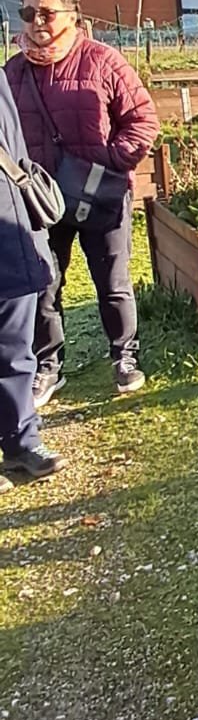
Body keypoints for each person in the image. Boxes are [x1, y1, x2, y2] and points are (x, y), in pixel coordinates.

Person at [5, 0, 159, 403]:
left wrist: (109, 162)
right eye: (29, 12)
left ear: (72, 16)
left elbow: (143, 121)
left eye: (47, 12)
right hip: (39, 199)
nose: (38, 22)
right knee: (44, 284)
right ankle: (48, 366)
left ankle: (124, 356)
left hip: (99, 193)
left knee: (111, 280)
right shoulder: (13, 72)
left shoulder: (103, 61)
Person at [0, 75, 60, 486]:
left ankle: (22, 442)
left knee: (17, 346)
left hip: (8, 227)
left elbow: (15, 151)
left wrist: (31, 230)